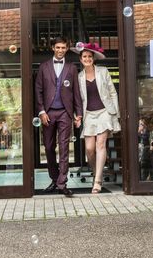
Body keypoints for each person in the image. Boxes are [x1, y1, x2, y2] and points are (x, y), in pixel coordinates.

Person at [34, 37, 83, 197]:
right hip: (48, 112)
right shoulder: (43, 67)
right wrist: (41, 112)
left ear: (67, 49)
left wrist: (78, 114)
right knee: (48, 147)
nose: (61, 50)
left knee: (63, 148)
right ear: (53, 48)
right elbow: (38, 91)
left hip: (65, 112)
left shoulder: (72, 68)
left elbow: (76, 92)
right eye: (58, 47)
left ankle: (62, 183)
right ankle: (55, 178)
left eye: (63, 47)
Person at [76, 43, 120, 193]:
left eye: (89, 56)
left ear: (93, 58)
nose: (87, 59)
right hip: (89, 114)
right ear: (81, 59)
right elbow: (78, 100)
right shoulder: (79, 77)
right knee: (89, 149)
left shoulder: (103, 71)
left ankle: (98, 181)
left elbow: (113, 93)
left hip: (104, 112)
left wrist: (115, 113)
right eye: (84, 57)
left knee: (100, 145)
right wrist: (78, 116)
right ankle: (96, 172)